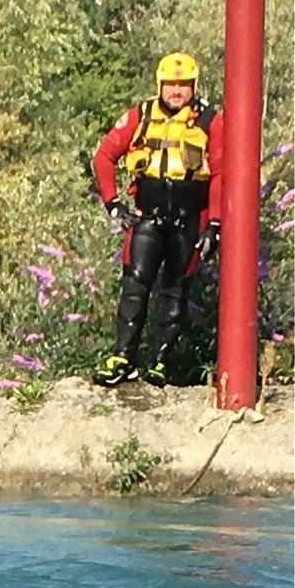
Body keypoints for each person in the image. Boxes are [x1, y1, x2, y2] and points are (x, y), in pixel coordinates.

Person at [91, 51, 224, 388]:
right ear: (160, 85)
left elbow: (221, 174)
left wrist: (215, 225)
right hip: (147, 218)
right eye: (171, 84)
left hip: (189, 219)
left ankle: (160, 362)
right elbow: (104, 156)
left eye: (183, 84)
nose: (177, 91)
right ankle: (123, 357)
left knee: (176, 291)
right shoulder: (140, 116)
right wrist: (113, 204)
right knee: (135, 285)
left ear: (193, 85)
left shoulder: (211, 121)